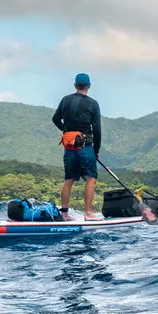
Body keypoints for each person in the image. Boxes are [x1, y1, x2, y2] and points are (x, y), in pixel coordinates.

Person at [52, 73, 102, 221]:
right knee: (91, 178)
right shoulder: (93, 104)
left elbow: (55, 118)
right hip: (86, 147)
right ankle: (88, 213)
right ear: (89, 86)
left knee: (69, 179)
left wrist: (66, 132)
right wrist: (96, 150)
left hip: (69, 147)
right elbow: (97, 129)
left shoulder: (65, 100)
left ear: (75, 85)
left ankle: (65, 213)